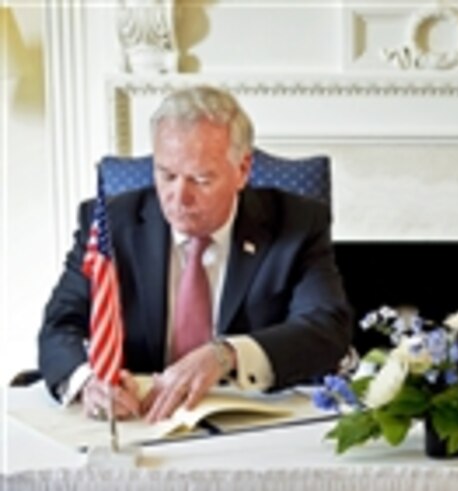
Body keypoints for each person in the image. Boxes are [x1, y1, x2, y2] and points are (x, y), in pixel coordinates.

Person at [38, 85, 353, 422]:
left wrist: (227, 354)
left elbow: (326, 328)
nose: (178, 197)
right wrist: (89, 382)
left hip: (249, 423)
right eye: (167, 175)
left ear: (243, 170)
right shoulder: (111, 226)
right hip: (139, 419)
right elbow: (59, 326)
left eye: (201, 179)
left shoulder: (296, 222)